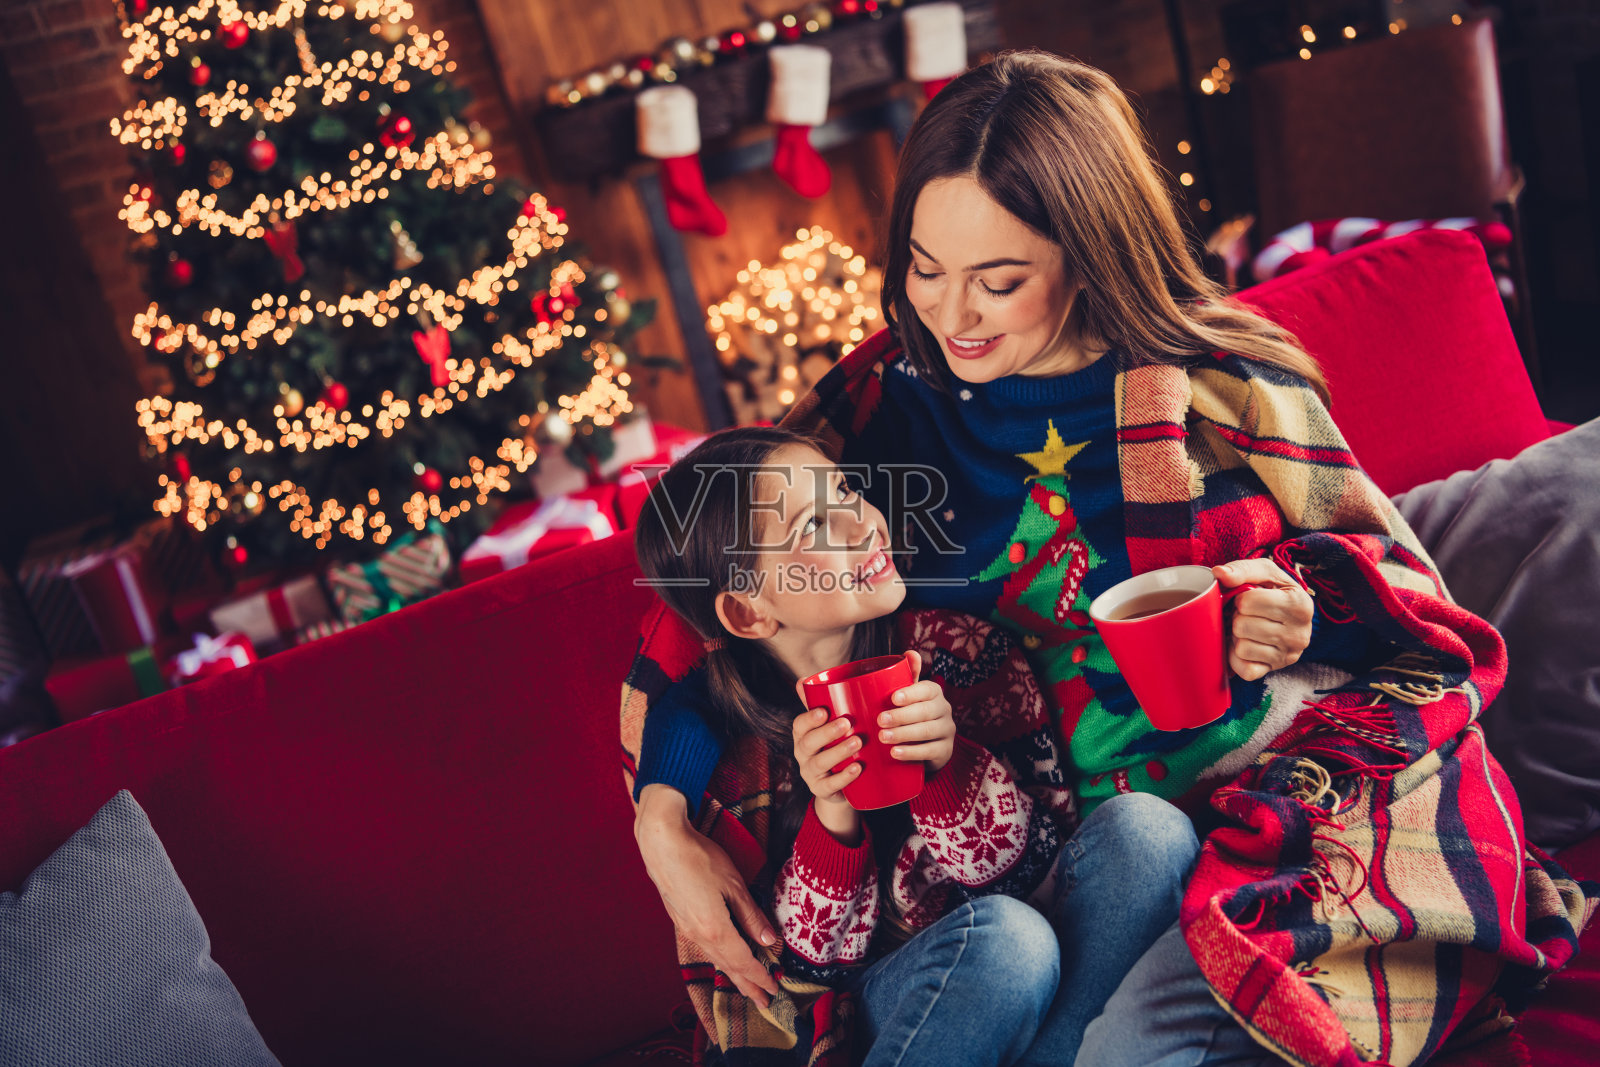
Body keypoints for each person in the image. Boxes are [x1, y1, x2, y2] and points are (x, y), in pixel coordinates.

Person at [622, 50, 1594, 1067]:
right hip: (1066, 878)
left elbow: (1396, 597)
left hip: (1273, 825)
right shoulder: (883, 422)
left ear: (1087, 255)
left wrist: (1297, 605)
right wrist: (663, 818)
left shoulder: (1226, 391)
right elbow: (712, 615)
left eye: (998, 282)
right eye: (923, 266)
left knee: (1142, 1032)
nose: (950, 317)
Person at [629, 424, 1199, 1066]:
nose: (863, 523)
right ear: (748, 614)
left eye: (844, 491)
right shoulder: (730, 759)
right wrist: (832, 817)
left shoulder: (959, 653)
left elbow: (1033, 876)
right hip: (884, 999)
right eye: (813, 527)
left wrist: (948, 768)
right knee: (1008, 944)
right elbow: (801, 975)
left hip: (1027, 936)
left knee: (1148, 831)